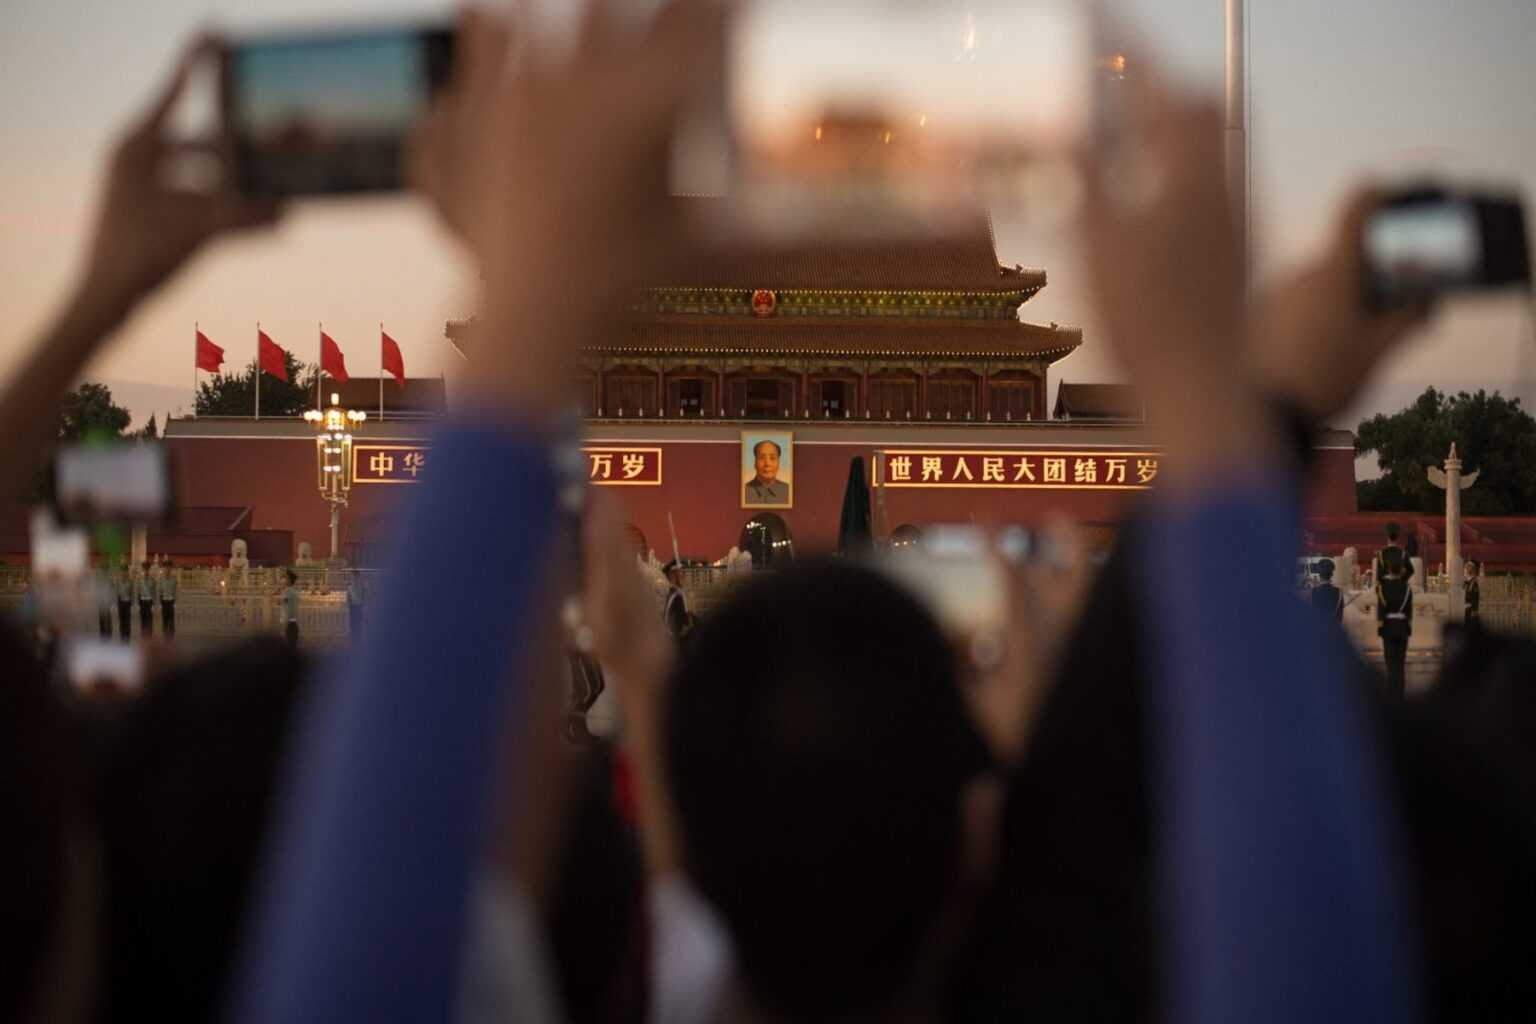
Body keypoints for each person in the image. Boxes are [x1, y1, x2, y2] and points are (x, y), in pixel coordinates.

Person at [1375, 522, 1414, 697]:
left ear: (1387, 536)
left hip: (1388, 618)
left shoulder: (1381, 554)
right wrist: (1401, 580)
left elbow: (1378, 578)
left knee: (1390, 661)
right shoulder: (1404, 554)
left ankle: (1392, 694)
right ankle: (1401, 693)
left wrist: (1386, 583)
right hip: (1403, 623)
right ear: (1398, 536)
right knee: (1400, 662)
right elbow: (1411, 570)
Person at [743, 440, 789, 505]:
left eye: (772, 458)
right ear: (755, 463)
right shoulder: (744, 491)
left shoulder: (788, 491)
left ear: (779, 463)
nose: (767, 464)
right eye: (762, 458)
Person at [661, 559, 690, 639]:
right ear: (672, 575)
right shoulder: (675, 596)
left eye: (682, 572)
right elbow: (668, 621)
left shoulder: (679, 594)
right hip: (675, 639)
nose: (683, 575)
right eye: (679, 572)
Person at [1311, 557, 1345, 623]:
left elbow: (1313, 615)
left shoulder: (1314, 591)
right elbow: (1340, 617)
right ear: (1332, 574)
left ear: (1319, 575)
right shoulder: (1339, 592)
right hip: (1334, 628)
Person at [281, 570, 301, 650]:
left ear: (289, 580)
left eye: (285, 578)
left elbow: (288, 607)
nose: (283, 580)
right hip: (292, 622)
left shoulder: (289, 593)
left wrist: (285, 619)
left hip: (291, 623)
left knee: (290, 646)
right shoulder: (292, 592)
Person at [136, 560, 157, 639]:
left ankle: (149, 637)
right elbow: (138, 592)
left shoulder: (153, 580)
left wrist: (154, 604)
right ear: (142, 569)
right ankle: (143, 637)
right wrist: (137, 604)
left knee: (149, 621)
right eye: (144, 569)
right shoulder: (139, 580)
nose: (146, 571)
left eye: (147, 569)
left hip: (149, 602)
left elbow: (154, 593)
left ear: (149, 569)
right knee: (143, 620)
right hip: (142, 602)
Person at [115, 561, 133, 644]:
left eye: (125, 571)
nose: (124, 573)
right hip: (121, 603)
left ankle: (127, 639)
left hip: (127, 603)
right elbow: (117, 593)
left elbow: (131, 593)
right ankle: (122, 639)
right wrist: (117, 603)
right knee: (121, 621)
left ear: (127, 572)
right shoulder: (118, 581)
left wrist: (132, 603)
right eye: (122, 571)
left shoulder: (130, 581)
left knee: (127, 622)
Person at [159, 557, 178, 638]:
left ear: (171, 568)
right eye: (165, 567)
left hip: (171, 602)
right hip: (164, 601)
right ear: (163, 568)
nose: (167, 569)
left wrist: (176, 603)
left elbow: (176, 592)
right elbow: (160, 592)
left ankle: (171, 637)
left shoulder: (174, 579)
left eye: (169, 567)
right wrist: (159, 603)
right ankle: (165, 637)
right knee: (164, 620)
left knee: (171, 620)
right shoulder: (161, 579)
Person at [346, 572, 365, 644]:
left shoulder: (350, 587)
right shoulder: (361, 587)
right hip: (358, 606)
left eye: (354, 577)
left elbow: (348, 599)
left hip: (354, 606)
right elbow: (363, 597)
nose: (354, 579)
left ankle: (354, 638)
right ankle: (357, 638)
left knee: (354, 623)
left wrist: (349, 605)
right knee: (357, 623)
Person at [1464, 559, 1481, 627]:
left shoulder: (1475, 581)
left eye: (1469, 566)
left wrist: (1474, 610)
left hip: (1471, 609)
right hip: (1464, 608)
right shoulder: (1465, 581)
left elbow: (1475, 596)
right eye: (1466, 566)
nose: (1466, 567)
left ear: (1474, 569)